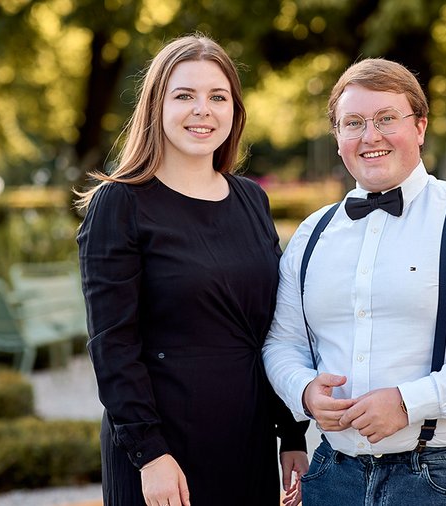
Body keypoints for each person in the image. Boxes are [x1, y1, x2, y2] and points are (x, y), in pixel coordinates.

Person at [263, 58, 446, 505]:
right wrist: (303, 389)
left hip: (442, 476)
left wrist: (410, 402)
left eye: (386, 118)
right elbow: (281, 342)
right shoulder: (311, 235)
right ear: (337, 138)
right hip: (330, 473)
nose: (370, 136)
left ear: (420, 127)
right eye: (352, 122)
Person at [76, 34, 309, 506]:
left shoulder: (251, 200)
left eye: (217, 97)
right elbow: (113, 344)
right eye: (184, 96)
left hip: (247, 438)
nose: (202, 109)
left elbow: (272, 327)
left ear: (234, 112)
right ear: (156, 106)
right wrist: (149, 454)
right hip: (164, 451)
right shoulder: (119, 204)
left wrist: (293, 435)